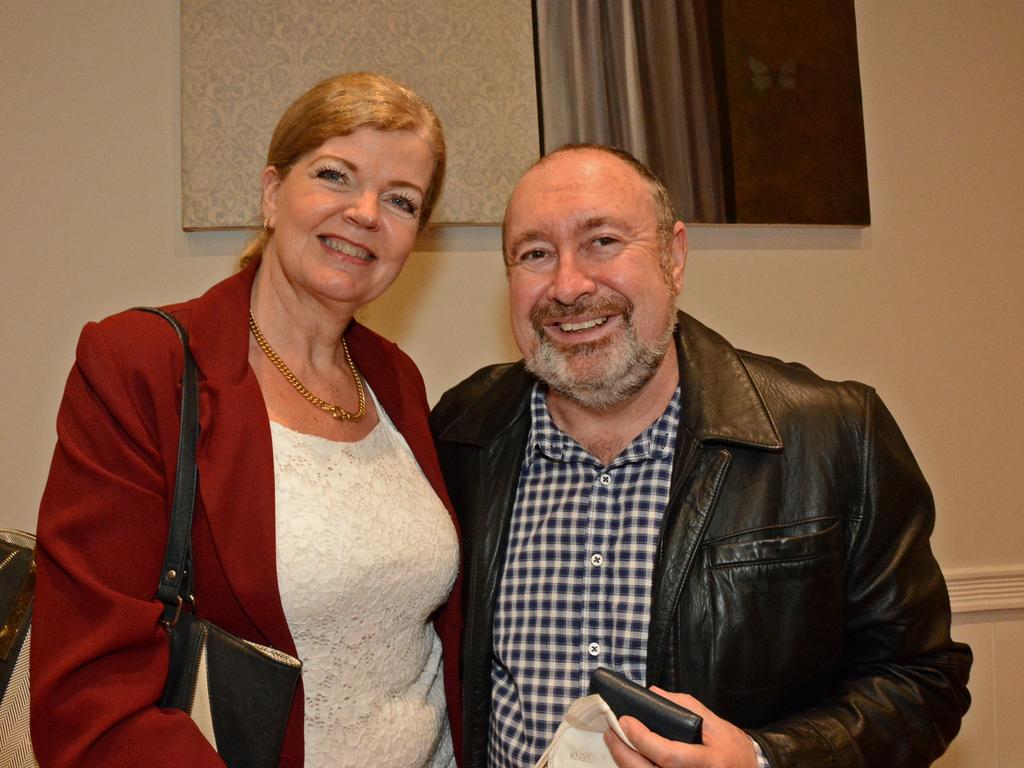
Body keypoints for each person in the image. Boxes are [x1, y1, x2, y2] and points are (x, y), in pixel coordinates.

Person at [430, 144, 971, 768]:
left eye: (602, 241)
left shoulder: (833, 435)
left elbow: (922, 682)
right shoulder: (461, 436)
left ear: (674, 257)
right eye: (535, 254)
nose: (569, 285)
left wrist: (762, 760)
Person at [32, 72, 462, 768]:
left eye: (401, 200)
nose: (365, 212)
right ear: (271, 193)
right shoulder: (145, 368)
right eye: (335, 174)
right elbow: (90, 697)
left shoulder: (396, 381)